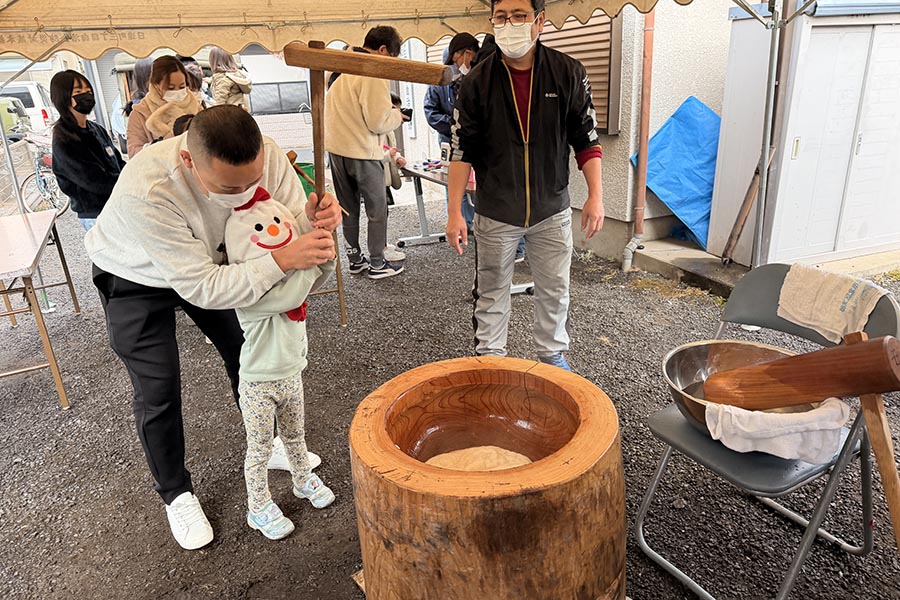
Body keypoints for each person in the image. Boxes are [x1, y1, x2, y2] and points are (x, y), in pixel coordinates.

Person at [84, 105, 342, 550]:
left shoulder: (268, 156)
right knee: (158, 384)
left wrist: (314, 219)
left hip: (222, 259)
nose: (245, 195)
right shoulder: (149, 187)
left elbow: (286, 226)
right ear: (189, 160)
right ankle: (176, 493)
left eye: (252, 183)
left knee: (245, 349)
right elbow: (203, 286)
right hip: (135, 272)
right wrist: (283, 260)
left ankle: (265, 440)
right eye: (229, 188)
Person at [446, 0, 605, 371]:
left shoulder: (568, 72)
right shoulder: (476, 82)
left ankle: (552, 356)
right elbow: (461, 150)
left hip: (552, 210)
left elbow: (586, 139)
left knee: (555, 289)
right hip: (495, 212)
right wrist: (454, 212)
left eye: (519, 16)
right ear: (492, 21)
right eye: (501, 17)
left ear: (539, 21)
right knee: (490, 291)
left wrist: (596, 196)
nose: (510, 24)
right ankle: (490, 362)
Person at [224, 188, 336, 540]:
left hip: (291, 376)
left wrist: (325, 252)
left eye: (276, 223)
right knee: (259, 449)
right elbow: (292, 293)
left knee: (295, 436)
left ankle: (302, 479)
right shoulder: (248, 294)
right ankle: (258, 506)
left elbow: (313, 279)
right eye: (262, 228)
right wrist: (311, 259)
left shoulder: (288, 279)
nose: (273, 230)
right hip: (258, 385)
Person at [325, 25, 406, 280]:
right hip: (362, 151)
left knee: (348, 209)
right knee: (377, 210)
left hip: (336, 150)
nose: (392, 63)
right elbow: (378, 122)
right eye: (392, 57)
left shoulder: (342, 67)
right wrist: (397, 115)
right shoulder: (373, 71)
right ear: (382, 50)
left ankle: (355, 260)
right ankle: (378, 263)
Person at [49, 70, 125, 231]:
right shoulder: (63, 139)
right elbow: (93, 181)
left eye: (88, 90)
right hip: (96, 215)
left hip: (117, 204)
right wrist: (128, 182)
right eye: (78, 92)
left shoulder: (96, 129)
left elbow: (118, 162)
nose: (86, 95)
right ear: (62, 98)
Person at [424, 32, 479, 233]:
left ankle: (475, 222)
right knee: (454, 182)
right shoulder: (439, 83)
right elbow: (430, 111)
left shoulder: (474, 78)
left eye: (456, 62)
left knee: (475, 183)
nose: (456, 67)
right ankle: (459, 221)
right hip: (448, 140)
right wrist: (453, 126)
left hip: (473, 140)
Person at [126, 55, 202, 157]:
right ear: (155, 85)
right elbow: (134, 153)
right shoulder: (140, 114)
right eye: (170, 88)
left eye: (181, 86)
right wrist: (160, 144)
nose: (177, 91)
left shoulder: (195, 105)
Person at [380, 93, 408, 263]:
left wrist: (397, 157)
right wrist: (388, 155)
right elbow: (372, 153)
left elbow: (390, 149)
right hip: (376, 177)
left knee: (383, 213)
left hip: (384, 177)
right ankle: (380, 251)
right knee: (378, 215)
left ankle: (382, 245)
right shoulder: (376, 125)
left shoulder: (387, 127)